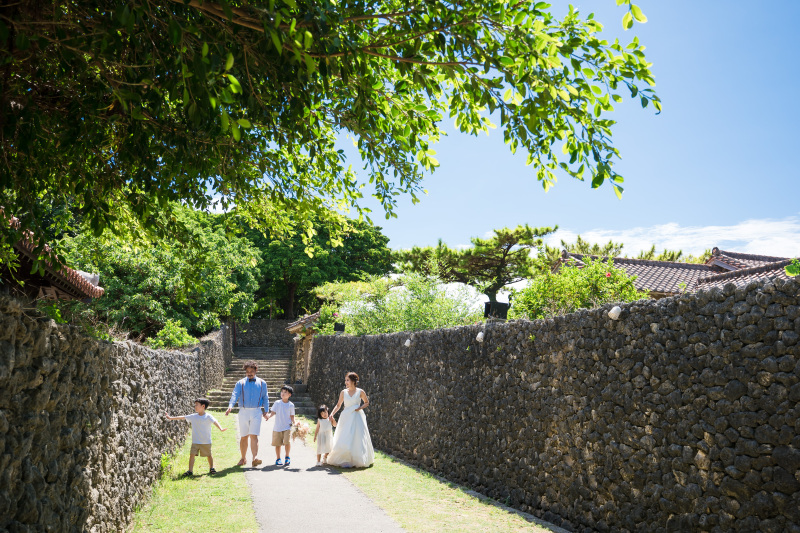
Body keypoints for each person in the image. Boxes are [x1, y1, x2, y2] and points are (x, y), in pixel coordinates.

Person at [165, 397, 227, 477]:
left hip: (206, 441)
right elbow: (183, 417)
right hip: (195, 441)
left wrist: (221, 429)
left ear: (203, 406)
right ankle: (190, 471)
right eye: (195, 405)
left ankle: (211, 468)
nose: (195, 406)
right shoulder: (193, 416)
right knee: (192, 455)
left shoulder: (208, 416)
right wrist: (170, 418)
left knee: (209, 455)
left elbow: (215, 422)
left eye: (197, 405)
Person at [225, 360, 269, 467]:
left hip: (256, 411)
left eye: (251, 371)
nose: (249, 373)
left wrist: (266, 411)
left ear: (256, 371)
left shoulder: (263, 383)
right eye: (247, 371)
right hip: (243, 412)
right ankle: (243, 458)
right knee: (244, 436)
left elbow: (265, 398)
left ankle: (255, 458)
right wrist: (230, 406)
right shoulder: (240, 383)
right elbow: (234, 395)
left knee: (254, 436)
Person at [327, 372, 374, 468]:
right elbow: (338, 405)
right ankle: (344, 459)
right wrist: (331, 414)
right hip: (346, 416)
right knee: (344, 435)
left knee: (357, 436)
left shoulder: (360, 392)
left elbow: (366, 402)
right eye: (345, 380)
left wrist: (359, 408)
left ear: (353, 381)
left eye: (347, 380)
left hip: (357, 416)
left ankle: (356, 459)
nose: (346, 382)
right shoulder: (343, 392)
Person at [264, 385, 295, 466]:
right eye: (282, 392)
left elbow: (292, 416)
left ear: (289, 395)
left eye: (285, 392)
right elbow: (273, 412)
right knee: (277, 444)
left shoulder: (291, 405)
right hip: (277, 427)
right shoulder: (277, 403)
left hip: (287, 427)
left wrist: (295, 424)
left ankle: (287, 457)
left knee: (287, 442)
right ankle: (278, 458)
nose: (283, 393)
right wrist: (268, 416)